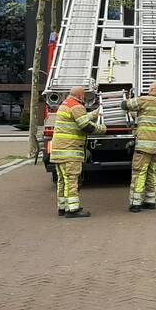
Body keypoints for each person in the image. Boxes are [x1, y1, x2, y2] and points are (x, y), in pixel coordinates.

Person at [51, 86, 106, 218]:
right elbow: (85, 126)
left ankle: (63, 207)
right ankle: (73, 210)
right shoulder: (77, 106)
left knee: (62, 180)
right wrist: (101, 129)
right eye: (84, 96)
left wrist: (93, 114)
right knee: (72, 180)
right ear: (81, 96)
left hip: (59, 151)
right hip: (70, 151)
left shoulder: (65, 104)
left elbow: (78, 118)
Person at [122, 81, 156, 212]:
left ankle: (136, 203)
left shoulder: (145, 100)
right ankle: (150, 200)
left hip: (144, 146)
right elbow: (145, 116)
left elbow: (125, 105)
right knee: (152, 173)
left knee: (139, 173)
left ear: (151, 89)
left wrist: (125, 99)